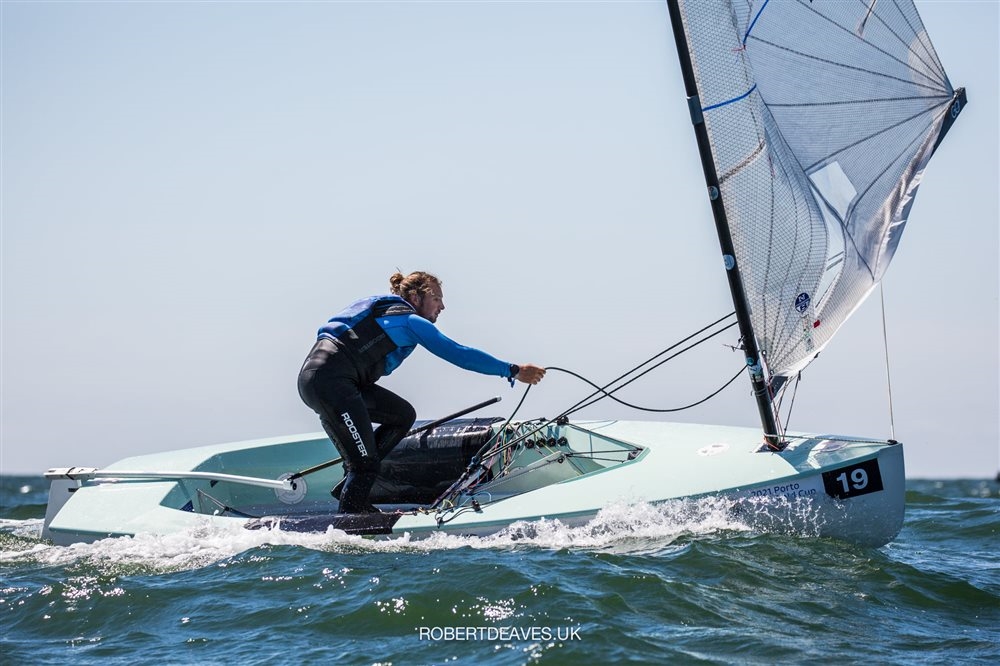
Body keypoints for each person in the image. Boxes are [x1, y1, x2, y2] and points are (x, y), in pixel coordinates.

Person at [297, 271, 545, 514]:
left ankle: (354, 483)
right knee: (364, 464)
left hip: (327, 381)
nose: (442, 306)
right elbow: (458, 353)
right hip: (331, 383)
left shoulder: (385, 311)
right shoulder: (408, 321)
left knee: (402, 415)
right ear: (416, 298)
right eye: (436, 298)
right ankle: (351, 512)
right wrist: (513, 370)